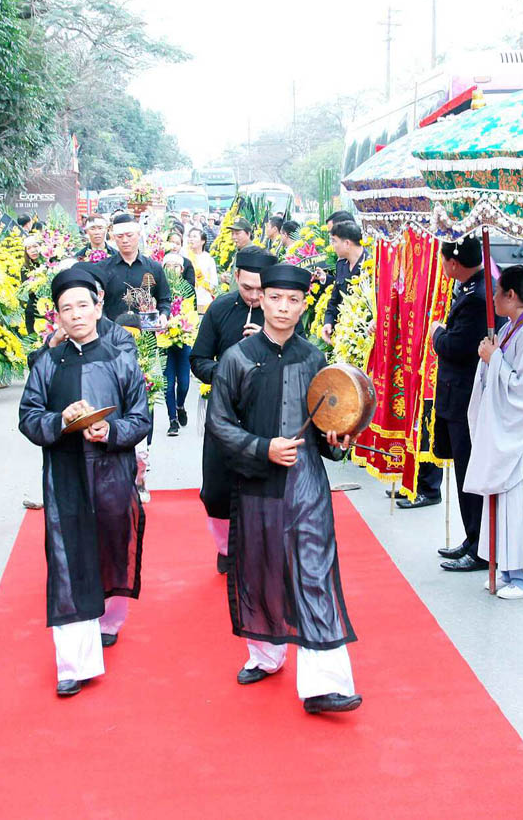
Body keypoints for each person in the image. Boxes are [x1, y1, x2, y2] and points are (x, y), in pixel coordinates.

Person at [207, 263, 361, 714]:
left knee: (315, 572)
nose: (284, 307)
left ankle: (323, 684)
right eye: (276, 297)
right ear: (262, 298)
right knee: (260, 567)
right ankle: (266, 655)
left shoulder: (313, 358)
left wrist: (338, 442)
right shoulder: (237, 359)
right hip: (257, 483)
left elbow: (326, 424)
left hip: (307, 484)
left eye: (294, 300)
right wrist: (261, 448)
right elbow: (219, 423)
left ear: (302, 305)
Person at [19, 266, 152, 697]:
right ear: (55, 316)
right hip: (65, 475)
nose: (75, 315)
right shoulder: (46, 363)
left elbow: (140, 418)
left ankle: (110, 620)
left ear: (98, 307)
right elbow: (28, 416)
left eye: (82, 305)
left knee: (115, 543)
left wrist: (110, 432)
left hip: (112, 472)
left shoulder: (120, 360)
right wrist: (61, 421)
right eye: (65, 309)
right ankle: (74, 663)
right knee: (67, 558)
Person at [463, 265, 523, 598]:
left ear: (511, 295)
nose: (492, 298)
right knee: (504, 501)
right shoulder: (509, 329)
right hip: (505, 432)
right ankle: (507, 568)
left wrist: (495, 359)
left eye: (497, 292)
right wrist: (489, 357)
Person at [190, 246, 275, 571]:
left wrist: (269, 341)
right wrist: (228, 372)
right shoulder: (220, 309)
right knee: (215, 489)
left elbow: (300, 359)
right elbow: (198, 360)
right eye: (247, 288)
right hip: (224, 413)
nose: (255, 296)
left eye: (261, 289)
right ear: (235, 277)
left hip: (267, 413)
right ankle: (226, 546)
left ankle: (262, 550)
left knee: (263, 484)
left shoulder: (280, 311)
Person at [433, 237, 503, 572]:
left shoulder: (478, 298)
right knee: (463, 472)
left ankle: (480, 547)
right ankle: (471, 537)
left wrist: (436, 335)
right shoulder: (470, 288)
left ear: (453, 263)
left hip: (466, 397)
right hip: (456, 393)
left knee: (470, 473)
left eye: (443, 260)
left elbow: (459, 345)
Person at [98, 214, 171, 324]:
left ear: (138, 235)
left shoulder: (154, 267)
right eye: (120, 236)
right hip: (112, 333)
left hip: (146, 333)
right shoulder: (103, 268)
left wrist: (163, 315)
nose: (125, 240)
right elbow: (97, 302)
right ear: (114, 237)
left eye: (129, 235)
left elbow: (164, 299)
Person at [160, 242, 197, 437]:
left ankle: (181, 405)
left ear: (182, 270)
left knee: (183, 382)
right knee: (167, 384)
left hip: (183, 340)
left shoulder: (188, 290)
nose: (172, 270)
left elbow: (192, 314)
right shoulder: (159, 289)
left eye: (176, 266)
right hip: (163, 342)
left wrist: (183, 327)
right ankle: (172, 420)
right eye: (168, 266)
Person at [320, 220, 367, 345]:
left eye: (334, 241)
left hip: (365, 335)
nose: (332, 246)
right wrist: (328, 322)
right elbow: (334, 301)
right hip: (343, 335)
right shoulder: (341, 265)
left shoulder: (372, 264)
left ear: (347, 243)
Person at [186, 227, 217, 311]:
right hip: (187, 300)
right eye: (190, 236)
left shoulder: (209, 259)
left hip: (204, 299)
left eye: (194, 236)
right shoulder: (185, 256)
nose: (191, 239)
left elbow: (214, 282)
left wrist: (203, 283)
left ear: (203, 241)